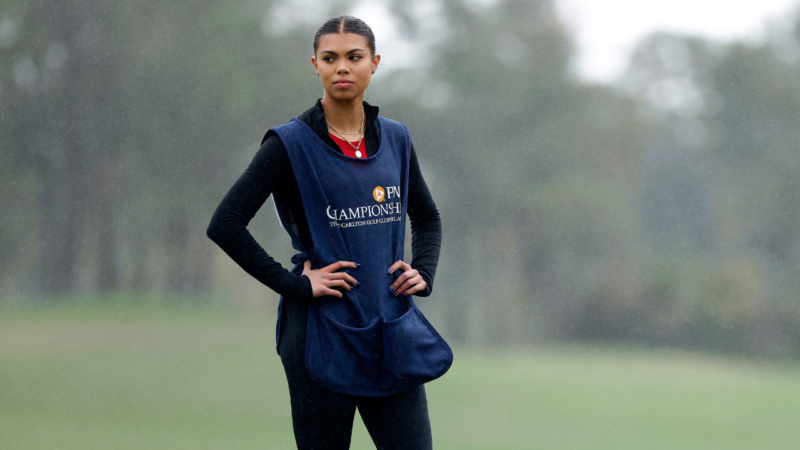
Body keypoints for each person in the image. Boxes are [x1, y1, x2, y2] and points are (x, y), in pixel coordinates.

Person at [206, 15, 452, 450]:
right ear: (315, 65)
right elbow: (225, 224)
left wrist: (424, 272)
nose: (342, 67)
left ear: (374, 63)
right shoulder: (288, 144)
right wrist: (295, 283)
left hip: (389, 331)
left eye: (354, 57)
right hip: (319, 335)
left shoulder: (396, 138)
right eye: (330, 58)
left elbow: (427, 217)